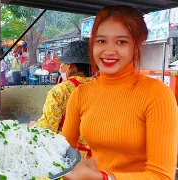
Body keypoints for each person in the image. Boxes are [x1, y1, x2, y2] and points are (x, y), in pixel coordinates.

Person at [62, 5, 177, 180]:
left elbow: (162, 175)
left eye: (121, 42)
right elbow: (63, 154)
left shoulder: (156, 94)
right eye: (101, 41)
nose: (109, 51)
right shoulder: (81, 94)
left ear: (136, 45)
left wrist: (105, 177)